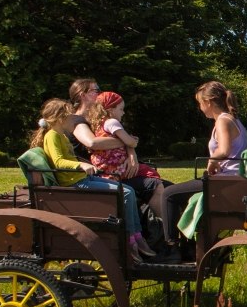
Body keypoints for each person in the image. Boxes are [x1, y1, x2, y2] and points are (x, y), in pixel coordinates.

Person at [31, 98, 156, 263]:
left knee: (128, 190)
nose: (74, 120)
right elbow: (59, 162)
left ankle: (136, 235)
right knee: (124, 193)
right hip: (74, 182)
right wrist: (81, 165)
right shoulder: (52, 136)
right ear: (61, 118)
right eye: (70, 117)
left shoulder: (61, 135)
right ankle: (130, 240)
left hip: (82, 178)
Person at [67, 79, 168, 248]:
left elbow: (121, 137)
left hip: (115, 169)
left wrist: (131, 153)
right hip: (98, 174)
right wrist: (128, 143)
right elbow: (92, 143)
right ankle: (162, 241)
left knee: (168, 188)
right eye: (95, 90)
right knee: (154, 186)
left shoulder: (100, 118)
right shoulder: (77, 121)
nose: (99, 93)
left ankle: (165, 235)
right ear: (82, 95)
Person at [161, 81, 247, 252]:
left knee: (168, 194)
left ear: (208, 102)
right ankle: (188, 245)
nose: (200, 108)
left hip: (223, 180)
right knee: (179, 193)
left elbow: (223, 150)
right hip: (232, 177)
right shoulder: (234, 119)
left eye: (199, 103)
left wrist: (212, 160)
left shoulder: (223, 121)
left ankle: (170, 248)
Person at [86, 91, 161, 181]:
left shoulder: (97, 124)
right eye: (121, 109)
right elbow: (130, 142)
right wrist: (134, 141)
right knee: (152, 173)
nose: (123, 113)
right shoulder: (112, 122)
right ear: (111, 109)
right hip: (118, 166)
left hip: (104, 168)